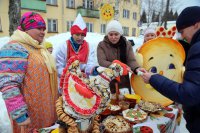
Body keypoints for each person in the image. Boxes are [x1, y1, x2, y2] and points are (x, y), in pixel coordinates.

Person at [140, 6, 200, 133]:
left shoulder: (197, 48)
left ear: (196, 25)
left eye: (182, 31)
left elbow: (188, 94)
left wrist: (153, 78)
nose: (182, 36)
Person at [0, 12, 58, 132]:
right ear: (26, 29)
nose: (43, 32)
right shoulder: (15, 48)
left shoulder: (39, 48)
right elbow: (8, 84)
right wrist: (20, 114)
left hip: (47, 116)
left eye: (44, 28)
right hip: (29, 119)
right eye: (38, 28)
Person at [97, 20, 142, 95]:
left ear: (120, 34)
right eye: (111, 34)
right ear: (107, 34)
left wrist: (136, 68)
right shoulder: (102, 45)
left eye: (116, 34)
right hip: (108, 78)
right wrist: (118, 66)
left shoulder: (127, 44)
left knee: (124, 100)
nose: (113, 37)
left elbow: (131, 60)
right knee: (110, 100)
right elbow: (102, 61)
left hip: (123, 79)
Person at [55, 14, 98, 85]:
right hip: (67, 81)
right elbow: (59, 67)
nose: (80, 38)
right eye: (77, 34)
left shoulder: (89, 46)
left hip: (83, 82)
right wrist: (72, 74)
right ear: (72, 34)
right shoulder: (63, 46)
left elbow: (89, 64)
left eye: (82, 35)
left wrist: (93, 69)